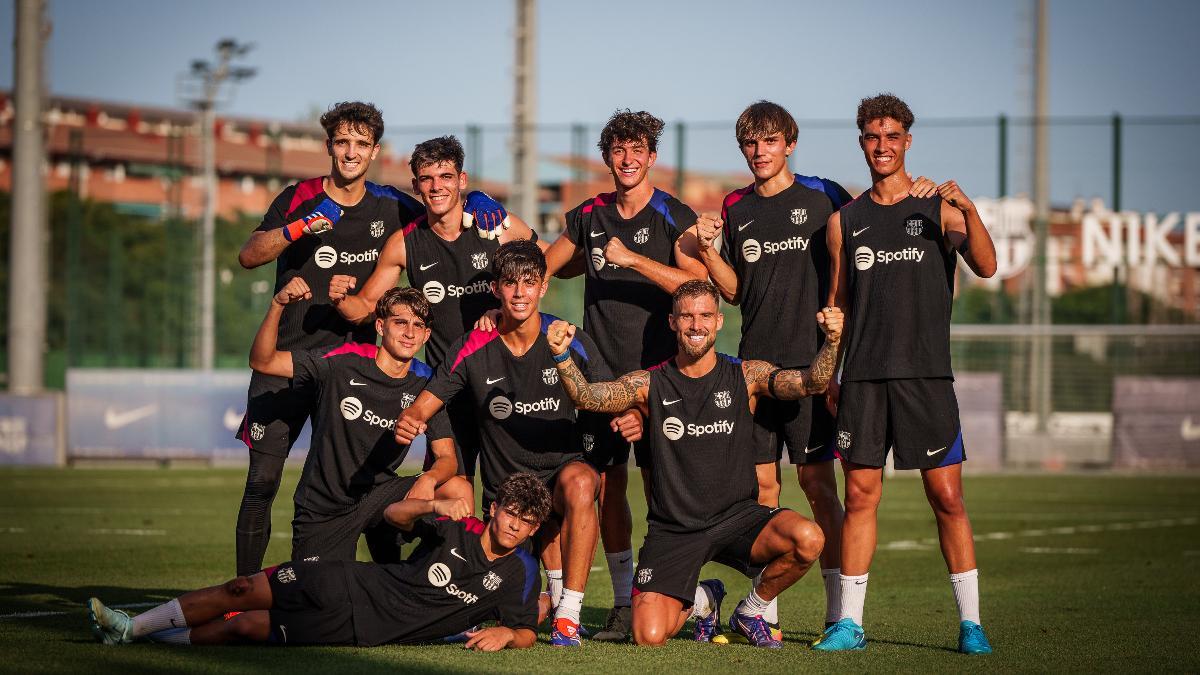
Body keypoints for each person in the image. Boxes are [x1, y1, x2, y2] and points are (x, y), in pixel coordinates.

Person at [693, 100, 937, 636]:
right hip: (754, 375)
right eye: (750, 144)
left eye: (770, 142)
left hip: (813, 371)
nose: (760, 152)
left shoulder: (825, 196)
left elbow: (872, 232)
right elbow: (735, 292)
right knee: (762, 490)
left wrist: (840, 361)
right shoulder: (735, 207)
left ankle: (837, 615)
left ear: (789, 144)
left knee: (818, 486)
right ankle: (765, 613)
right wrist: (711, 253)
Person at [233, 103, 507, 576]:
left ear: (375, 151)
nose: (351, 152)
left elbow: (438, 198)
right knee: (262, 480)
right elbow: (249, 254)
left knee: (370, 483)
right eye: (343, 142)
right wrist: (298, 227)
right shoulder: (298, 196)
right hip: (293, 358)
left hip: (357, 370)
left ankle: (386, 582)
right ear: (329, 147)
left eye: (362, 144)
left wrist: (480, 198)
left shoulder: (390, 203)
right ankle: (241, 591)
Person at [546, 280, 840, 648]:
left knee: (809, 538)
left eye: (704, 316)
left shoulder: (747, 376)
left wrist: (831, 342)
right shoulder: (649, 383)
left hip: (738, 517)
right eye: (686, 316)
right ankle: (705, 600)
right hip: (675, 529)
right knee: (648, 635)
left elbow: (811, 382)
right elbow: (588, 397)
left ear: (719, 321)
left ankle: (751, 610)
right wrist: (561, 356)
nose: (696, 325)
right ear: (672, 322)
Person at [813, 93, 997, 655]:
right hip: (864, 379)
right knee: (862, 495)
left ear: (907, 142)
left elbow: (987, 266)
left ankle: (970, 626)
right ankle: (849, 624)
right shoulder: (845, 221)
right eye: (873, 136)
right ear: (861, 142)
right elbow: (837, 302)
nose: (882, 146)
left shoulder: (937, 210)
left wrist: (968, 206)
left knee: (946, 497)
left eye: (893, 136)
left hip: (926, 379)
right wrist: (831, 372)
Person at [395, 240, 641, 647]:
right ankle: (549, 593)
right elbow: (428, 400)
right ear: (496, 289)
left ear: (543, 287)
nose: (520, 293)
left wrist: (627, 415)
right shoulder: (473, 345)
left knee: (584, 481)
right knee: (499, 607)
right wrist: (411, 419)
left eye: (529, 283)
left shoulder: (567, 337)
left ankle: (568, 614)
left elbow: (609, 392)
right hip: (506, 492)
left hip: (560, 474)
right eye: (510, 283)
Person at [541, 109, 710, 640]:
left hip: (665, 379)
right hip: (601, 378)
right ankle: (619, 604)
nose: (628, 159)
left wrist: (632, 259)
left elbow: (697, 286)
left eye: (638, 150)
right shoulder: (590, 215)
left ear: (652, 157)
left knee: (667, 493)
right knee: (607, 488)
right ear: (607, 157)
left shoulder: (671, 213)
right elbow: (546, 267)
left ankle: (683, 595)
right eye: (618, 150)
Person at [87, 473, 551, 650]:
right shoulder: (459, 525)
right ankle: (132, 627)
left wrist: (510, 633)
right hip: (348, 582)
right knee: (241, 591)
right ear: (495, 508)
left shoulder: (520, 573)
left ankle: (139, 636)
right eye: (511, 513)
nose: (515, 525)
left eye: (526, 521)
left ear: (533, 529)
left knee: (243, 627)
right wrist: (432, 506)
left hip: (357, 630)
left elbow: (528, 629)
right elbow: (391, 514)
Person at [327, 135, 548, 505]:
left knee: (517, 494)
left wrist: (508, 309)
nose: (436, 187)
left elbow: (548, 264)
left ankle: (523, 566)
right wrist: (338, 300)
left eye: (446, 177)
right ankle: (454, 562)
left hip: (508, 381)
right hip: (449, 387)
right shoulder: (404, 243)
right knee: (453, 490)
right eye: (427, 179)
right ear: (416, 186)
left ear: (462, 181)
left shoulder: (495, 225)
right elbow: (365, 305)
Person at [249, 281, 467, 562]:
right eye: (400, 322)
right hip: (325, 505)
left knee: (457, 488)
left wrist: (429, 478)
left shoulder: (427, 383)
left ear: (426, 335)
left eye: (417, 326)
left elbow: (447, 458)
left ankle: (426, 584)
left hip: (380, 497)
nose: (409, 333)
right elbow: (263, 362)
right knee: (317, 601)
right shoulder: (342, 361)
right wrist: (277, 305)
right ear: (380, 327)